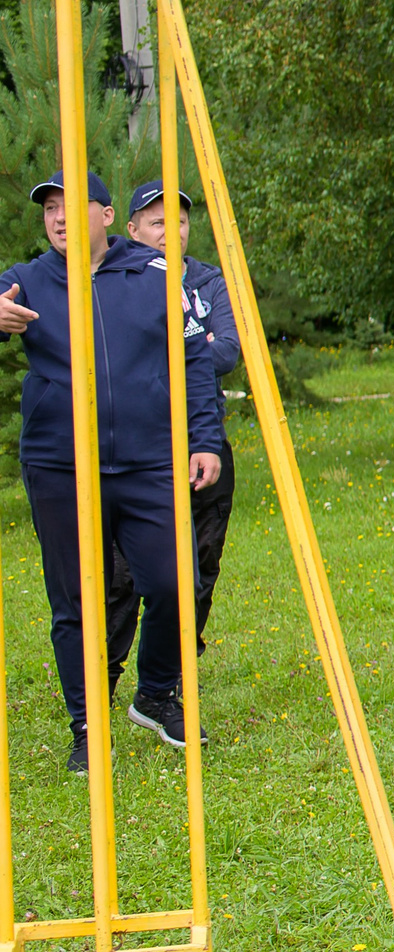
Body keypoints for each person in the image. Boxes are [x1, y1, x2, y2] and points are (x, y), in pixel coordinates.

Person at [0, 171, 224, 773]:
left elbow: (195, 361)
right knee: (75, 602)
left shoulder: (155, 276)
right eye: (50, 209)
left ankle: (154, 694)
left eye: (73, 206)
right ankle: (86, 728)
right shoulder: (26, 281)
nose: (60, 217)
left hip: (148, 461)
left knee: (176, 586)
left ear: (105, 216)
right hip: (59, 466)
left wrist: (204, 439)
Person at [104, 181, 240, 668]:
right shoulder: (116, 283)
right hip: (141, 446)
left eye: (178, 222)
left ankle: (174, 667)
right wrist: (186, 350)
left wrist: (180, 353)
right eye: (158, 223)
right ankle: (108, 669)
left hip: (202, 439)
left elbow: (228, 347)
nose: (170, 232)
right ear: (132, 228)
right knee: (122, 573)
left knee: (201, 561)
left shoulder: (208, 283)